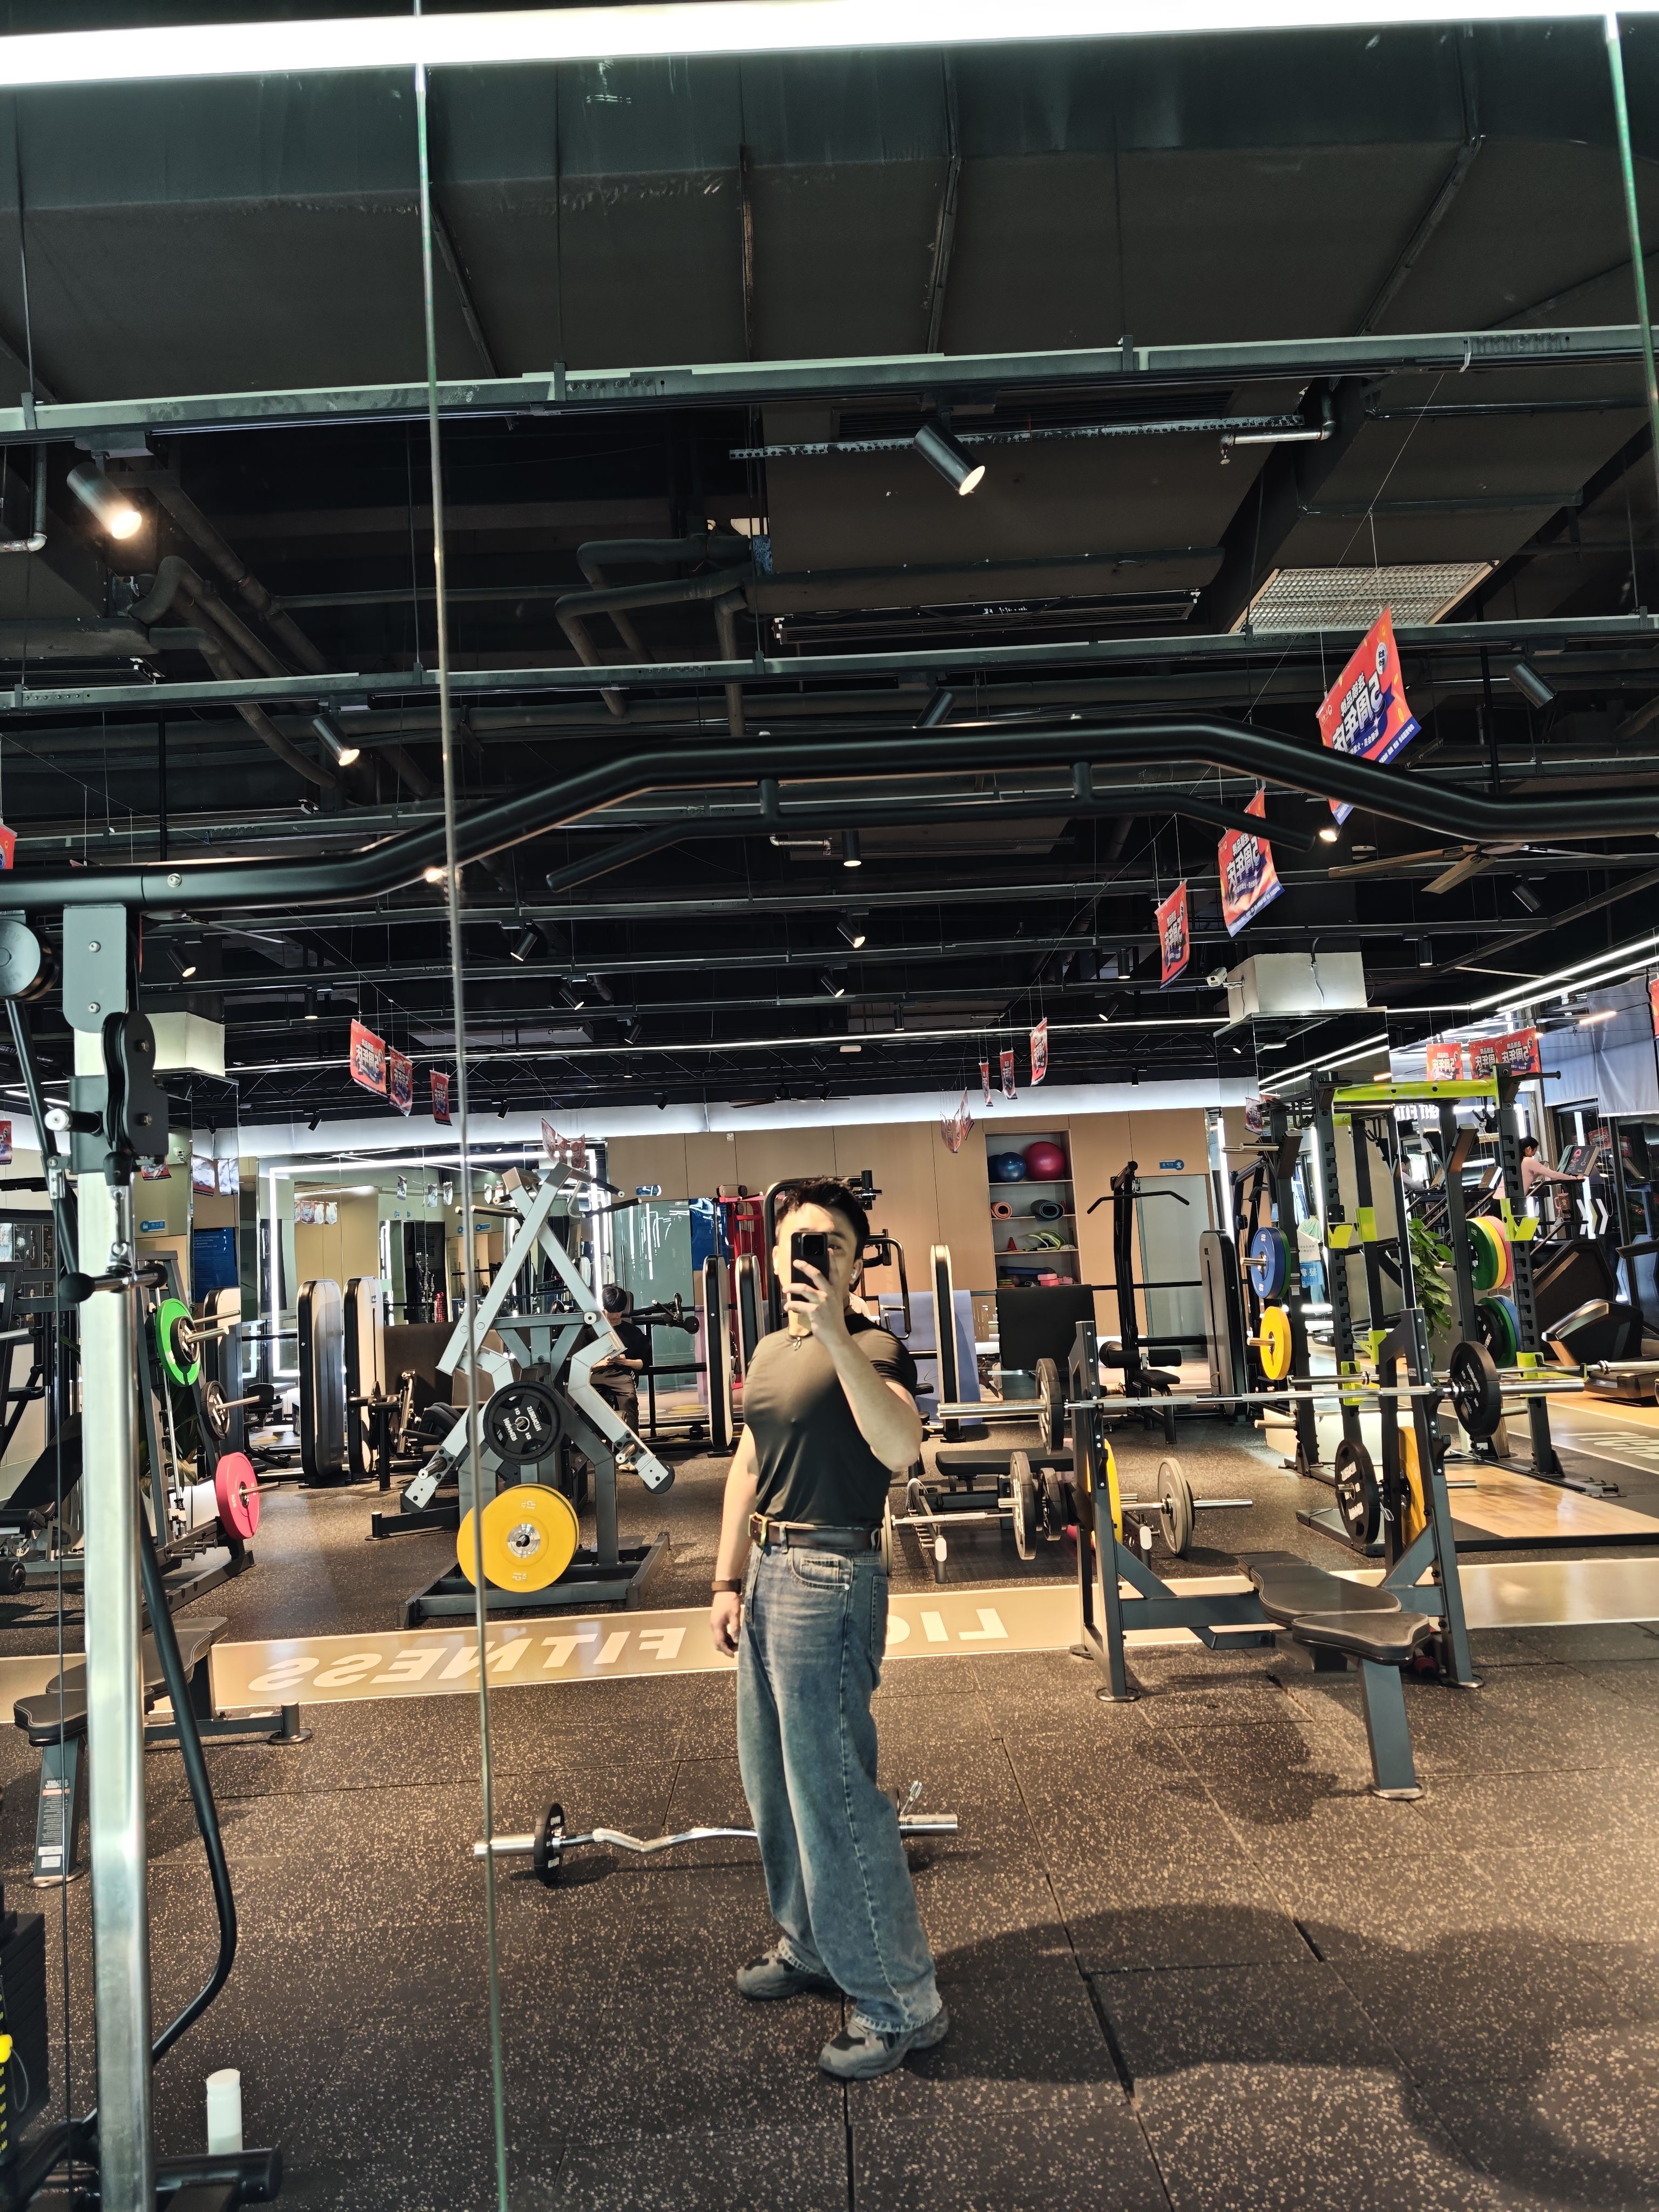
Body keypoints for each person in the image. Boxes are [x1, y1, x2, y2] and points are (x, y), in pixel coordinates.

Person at [708, 1179, 947, 2081]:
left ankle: (901, 2001)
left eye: (830, 1246)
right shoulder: (770, 1350)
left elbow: (900, 1447)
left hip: (831, 1576)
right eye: (797, 1242)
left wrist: (838, 1335)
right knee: (772, 1786)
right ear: (774, 1256)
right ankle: (811, 1943)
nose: (809, 1256)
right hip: (769, 1572)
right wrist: (726, 1577)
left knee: (835, 1794)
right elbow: (748, 1462)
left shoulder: (873, 1345)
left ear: (853, 1264)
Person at [594, 1283, 648, 1437]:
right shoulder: (591, 1331)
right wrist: (600, 1364)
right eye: (611, 1311)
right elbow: (577, 1363)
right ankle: (588, 1444)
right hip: (596, 1374)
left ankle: (632, 1444)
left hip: (622, 1374)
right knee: (580, 1401)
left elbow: (643, 1364)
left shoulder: (633, 1333)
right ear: (604, 1308)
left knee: (629, 1398)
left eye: (618, 1311)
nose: (614, 1315)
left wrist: (626, 1362)